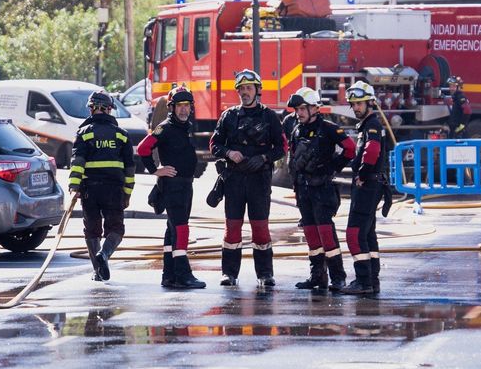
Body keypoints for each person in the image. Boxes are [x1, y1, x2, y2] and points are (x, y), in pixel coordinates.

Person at [209, 69, 287, 287]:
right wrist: (228, 153)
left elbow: (282, 147)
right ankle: (229, 273)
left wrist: (263, 158)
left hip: (259, 180)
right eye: (241, 89)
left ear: (257, 90)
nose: (244, 92)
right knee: (232, 227)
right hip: (233, 179)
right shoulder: (229, 116)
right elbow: (214, 144)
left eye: (248, 88)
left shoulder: (269, 117)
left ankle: (265, 274)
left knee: (260, 227)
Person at [287, 87, 355, 291]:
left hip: (322, 190)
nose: (298, 113)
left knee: (326, 232)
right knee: (310, 233)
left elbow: (350, 148)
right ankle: (317, 276)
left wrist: (334, 166)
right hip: (304, 190)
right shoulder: (297, 129)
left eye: (301, 109)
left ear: (314, 108)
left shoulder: (329, 129)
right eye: (297, 109)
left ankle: (338, 277)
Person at [137, 85, 206, 289]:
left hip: (185, 185)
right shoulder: (165, 127)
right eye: (180, 106)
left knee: (171, 231)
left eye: (187, 105)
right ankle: (184, 275)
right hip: (173, 187)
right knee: (181, 228)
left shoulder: (186, 127)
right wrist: (155, 170)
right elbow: (143, 148)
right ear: (172, 108)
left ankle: (169, 275)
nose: (184, 110)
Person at [68, 91, 135, 282]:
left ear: (91, 109)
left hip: (90, 189)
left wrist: (74, 187)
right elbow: (130, 168)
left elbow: (77, 162)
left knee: (92, 230)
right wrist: (127, 193)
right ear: (109, 110)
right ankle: (104, 255)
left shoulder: (83, 133)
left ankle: (97, 271)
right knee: (116, 228)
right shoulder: (122, 135)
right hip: (114, 190)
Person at [341, 81, 387, 295]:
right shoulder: (368, 125)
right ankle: (372, 279)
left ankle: (363, 281)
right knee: (368, 234)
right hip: (373, 185)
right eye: (353, 104)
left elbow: (372, 150)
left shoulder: (372, 125)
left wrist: (363, 174)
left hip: (368, 185)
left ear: (370, 103)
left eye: (359, 103)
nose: (356, 107)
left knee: (354, 233)